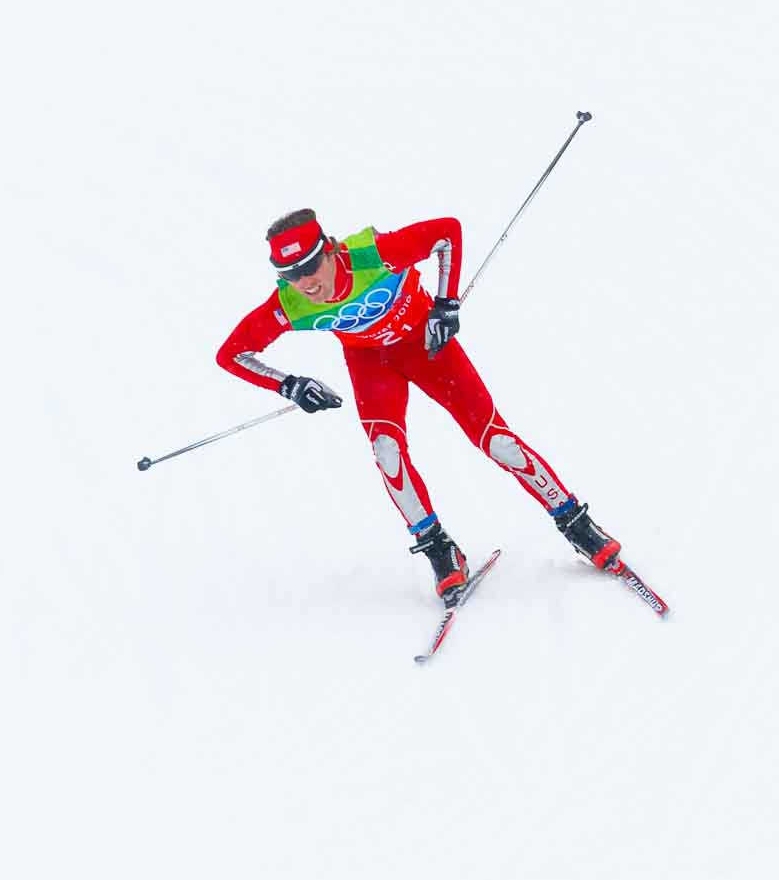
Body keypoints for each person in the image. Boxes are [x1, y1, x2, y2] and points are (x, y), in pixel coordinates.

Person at [216, 209, 621, 605]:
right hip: (372, 365)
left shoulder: (371, 256)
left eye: (309, 267)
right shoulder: (290, 304)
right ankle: (439, 549)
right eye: (290, 274)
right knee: (386, 452)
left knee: (496, 441)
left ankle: (575, 522)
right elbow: (231, 354)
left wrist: (446, 304)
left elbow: (447, 232)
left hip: (427, 348)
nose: (305, 282)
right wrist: (290, 385)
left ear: (329, 250)